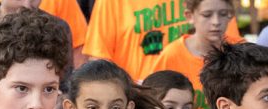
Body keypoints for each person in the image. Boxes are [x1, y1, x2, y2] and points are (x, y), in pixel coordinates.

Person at [83, 0, 241, 83]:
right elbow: (99, 60)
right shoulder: (112, 2)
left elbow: (230, 47)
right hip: (138, 107)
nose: (215, 21)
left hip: (202, 102)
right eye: (207, 15)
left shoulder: (213, 7)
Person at [151, 0, 234, 109]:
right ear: (190, 16)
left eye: (223, 14)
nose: (216, 21)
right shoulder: (172, 55)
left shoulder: (239, 52)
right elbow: (149, 107)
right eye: (207, 15)